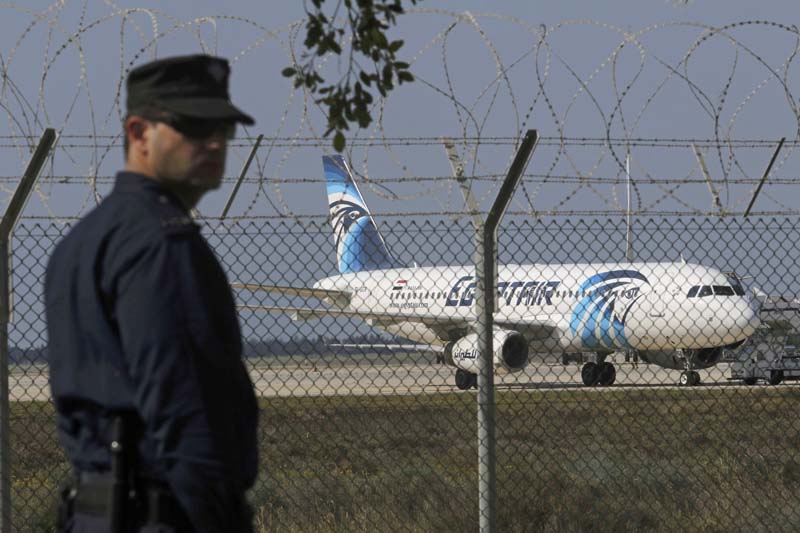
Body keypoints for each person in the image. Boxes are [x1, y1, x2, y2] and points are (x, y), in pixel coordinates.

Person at [45, 54, 259, 532]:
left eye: (224, 129)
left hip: (95, 511)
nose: (214, 142)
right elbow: (187, 414)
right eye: (192, 126)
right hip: (165, 514)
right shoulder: (162, 244)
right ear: (139, 133)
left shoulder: (81, 243)